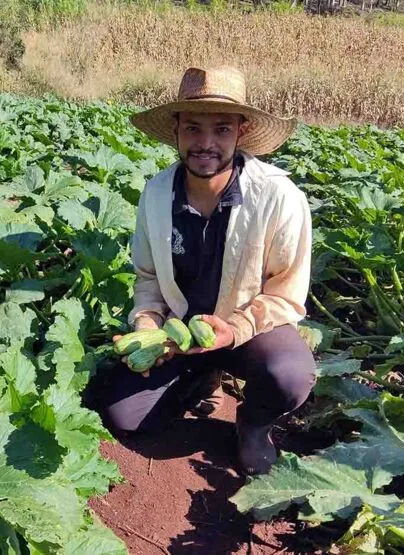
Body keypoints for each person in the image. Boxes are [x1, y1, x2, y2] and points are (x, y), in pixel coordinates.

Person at [102, 66, 316, 475]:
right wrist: (146, 324)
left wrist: (234, 330)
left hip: (248, 333)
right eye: (193, 129)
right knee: (124, 416)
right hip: (179, 334)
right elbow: (147, 278)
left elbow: (286, 293)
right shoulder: (156, 193)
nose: (205, 144)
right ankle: (203, 378)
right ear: (177, 130)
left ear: (241, 130)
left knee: (289, 375)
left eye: (220, 129)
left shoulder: (279, 196)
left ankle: (253, 424)